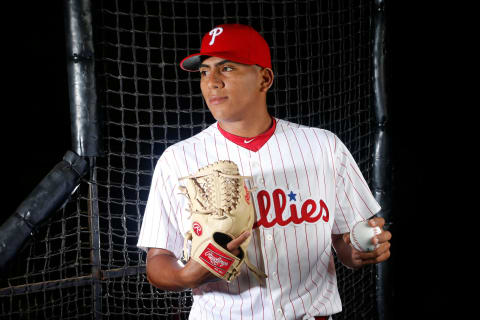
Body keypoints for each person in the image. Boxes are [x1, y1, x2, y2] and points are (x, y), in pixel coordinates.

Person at [137, 23, 392, 320]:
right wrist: (187, 276)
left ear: (264, 78)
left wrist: (361, 252)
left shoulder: (324, 146)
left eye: (227, 68)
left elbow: (346, 244)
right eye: (205, 71)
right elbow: (157, 262)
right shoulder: (178, 159)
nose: (212, 82)